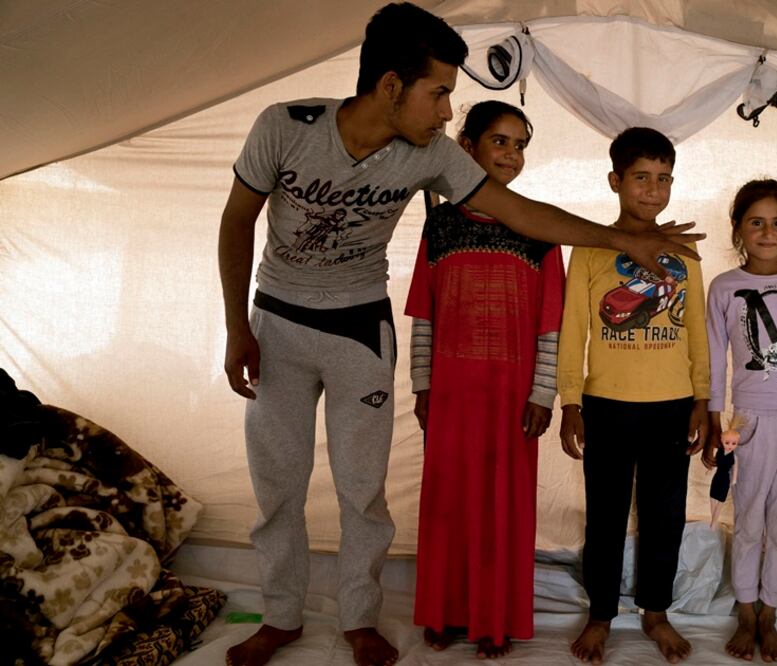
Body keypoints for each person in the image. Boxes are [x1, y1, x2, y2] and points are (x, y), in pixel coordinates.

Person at [217, 3, 702, 665]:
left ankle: (360, 618)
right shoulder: (284, 126)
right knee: (278, 482)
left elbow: (520, 212)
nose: (448, 111)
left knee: (363, 488)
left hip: (360, 328)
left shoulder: (432, 155)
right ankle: (278, 617)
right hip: (278, 320)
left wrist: (625, 237)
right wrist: (235, 325)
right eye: (439, 92)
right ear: (392, 87)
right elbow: (236, 220)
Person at [405, 100, 564, 658]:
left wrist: (543, 393)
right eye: (500, 141)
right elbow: (424, 314)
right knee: (449, 503)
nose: (512, 154)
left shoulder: (540, 227)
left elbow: (552, 325)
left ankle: (495, 621)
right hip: (451, 395)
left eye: (520, 144)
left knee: (504, 508)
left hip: (512, 398)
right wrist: (422, 386)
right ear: (466, 147)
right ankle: (446, 612)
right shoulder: (440, 223)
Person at [556, 127, 710, 665]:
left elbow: (696, 330)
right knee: (606, 513)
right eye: (641, 178)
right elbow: (574, 327)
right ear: (615, 181)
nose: (653, 190)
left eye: (663, 178)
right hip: (607, 406)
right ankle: (601, 614)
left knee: (664, 514)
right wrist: (570, 400)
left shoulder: (684, 254)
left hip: (671, 404)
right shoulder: (591, 250)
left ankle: (655, 612)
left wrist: (702, 398)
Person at [701, 178, 777, 662]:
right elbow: (715, 359)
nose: (768, 232)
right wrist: (715, 418)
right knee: (749, 515)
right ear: (738, 230)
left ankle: (771, 612)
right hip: (750, 421)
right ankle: (745, 609)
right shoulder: (725, 287)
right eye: (756, 222)